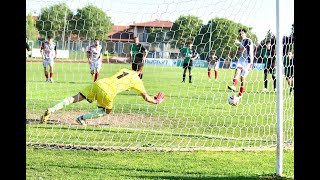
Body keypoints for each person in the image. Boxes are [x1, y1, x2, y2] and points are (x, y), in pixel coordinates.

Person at [40, 67, 165, 125]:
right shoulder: (137, 80)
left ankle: (52, 109)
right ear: (141, 69)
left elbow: (122, 81)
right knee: (107, 111)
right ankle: (82, 118)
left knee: (75, 98)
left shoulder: (124, 70)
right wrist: (157, 101)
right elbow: (147, 98)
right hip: (108, 91)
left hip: (99, 83)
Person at [226, 28, 254, 98]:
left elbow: (242, 50)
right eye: (240, 33)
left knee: (242, 77)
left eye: (242, 33)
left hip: (248, 61)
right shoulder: (242, 41)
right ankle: (234, 85)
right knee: (237, 70)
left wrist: (231, 52)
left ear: (245, 33)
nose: (241, 34)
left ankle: (240, 93)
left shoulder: (248, 40)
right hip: (242, 59)